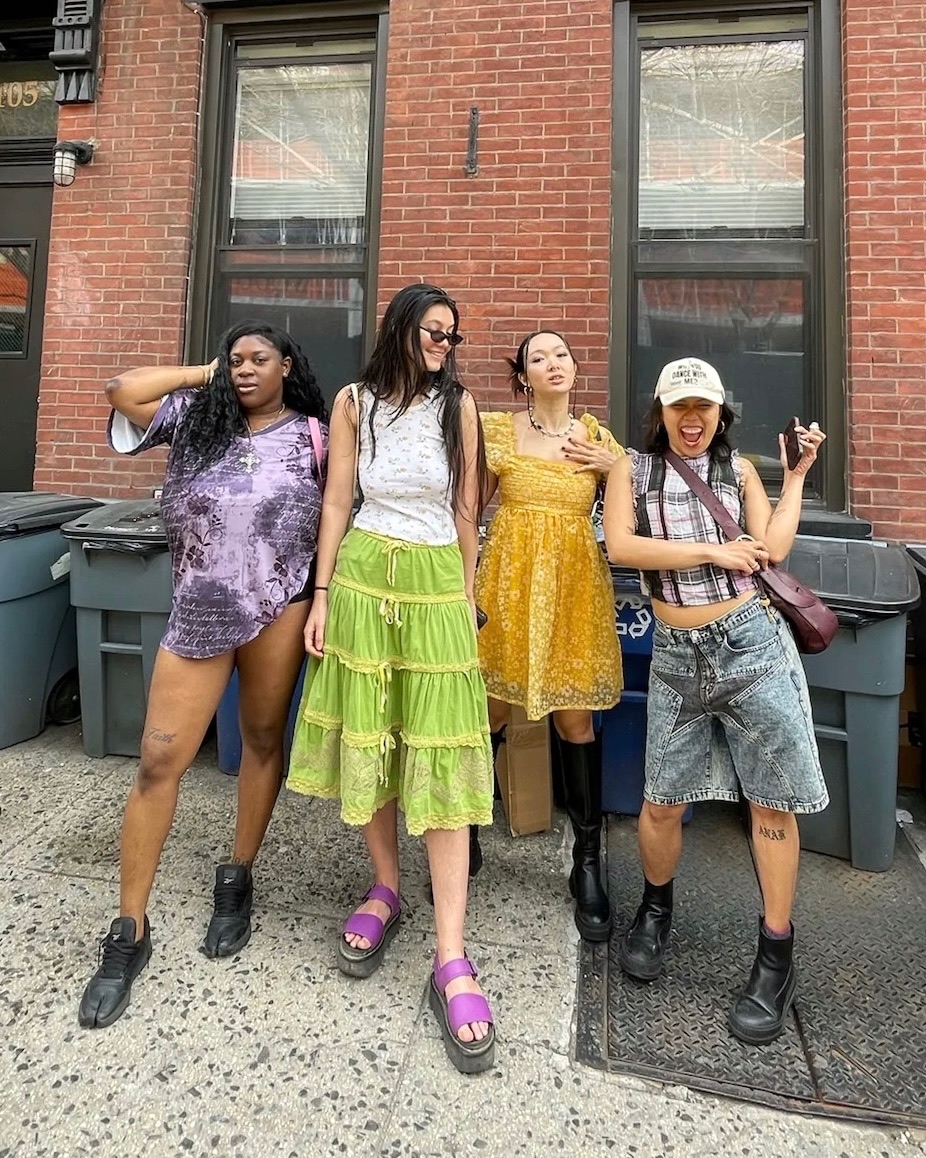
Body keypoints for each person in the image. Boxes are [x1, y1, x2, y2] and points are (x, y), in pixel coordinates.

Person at [78, 321, 328, 1029]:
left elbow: (343, 513)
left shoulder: (315, 435)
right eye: (236, 358)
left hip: (282, 605)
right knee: (159, 760)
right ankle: (129, 929)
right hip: (199, 609)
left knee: (260, 737)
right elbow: (122, 391)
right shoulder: (193, 417)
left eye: (259, 359)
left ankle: (238, 875)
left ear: (288, 364)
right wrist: (206, 373)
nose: (246, 369)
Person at [286, 283, 496, 1074]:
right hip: (364, 577)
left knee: (440, 754)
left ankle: (452, 955)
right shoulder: (354, 401)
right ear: (401, 329)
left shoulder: (460, 407)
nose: (444, 344)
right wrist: (322, 591)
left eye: (452, 334)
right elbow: (337, 498)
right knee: (368, 740)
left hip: (438, 580)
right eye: (433, 331)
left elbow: (467, 510)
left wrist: (466, 603)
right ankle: (385, 887)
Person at [603, 356, 828, 1045]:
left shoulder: (739, 471)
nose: (692, 419)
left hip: (752, 645)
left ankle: (776, 953)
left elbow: (774, 546)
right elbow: (620, 544)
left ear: (721, 412)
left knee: (771, 801)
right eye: (680, 408)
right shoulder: (631, 470)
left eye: (704, 407)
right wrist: (711, 548)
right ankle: (656, 910)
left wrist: (793, 479)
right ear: (661, 411)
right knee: (663, 800)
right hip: (676, 656)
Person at [475, 330, 625, 941]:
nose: (553, 364)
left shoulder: (598, 439)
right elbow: (470, 509)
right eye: (539, 358)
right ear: (523, 376)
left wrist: (618, 469)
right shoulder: (497, 433)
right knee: (483, 712)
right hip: (505, 588)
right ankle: (463, 833)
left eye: (560, 354)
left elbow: (629, 520)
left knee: (575, 721)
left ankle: (585, 862)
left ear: (573, 367)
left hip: (573, 592)